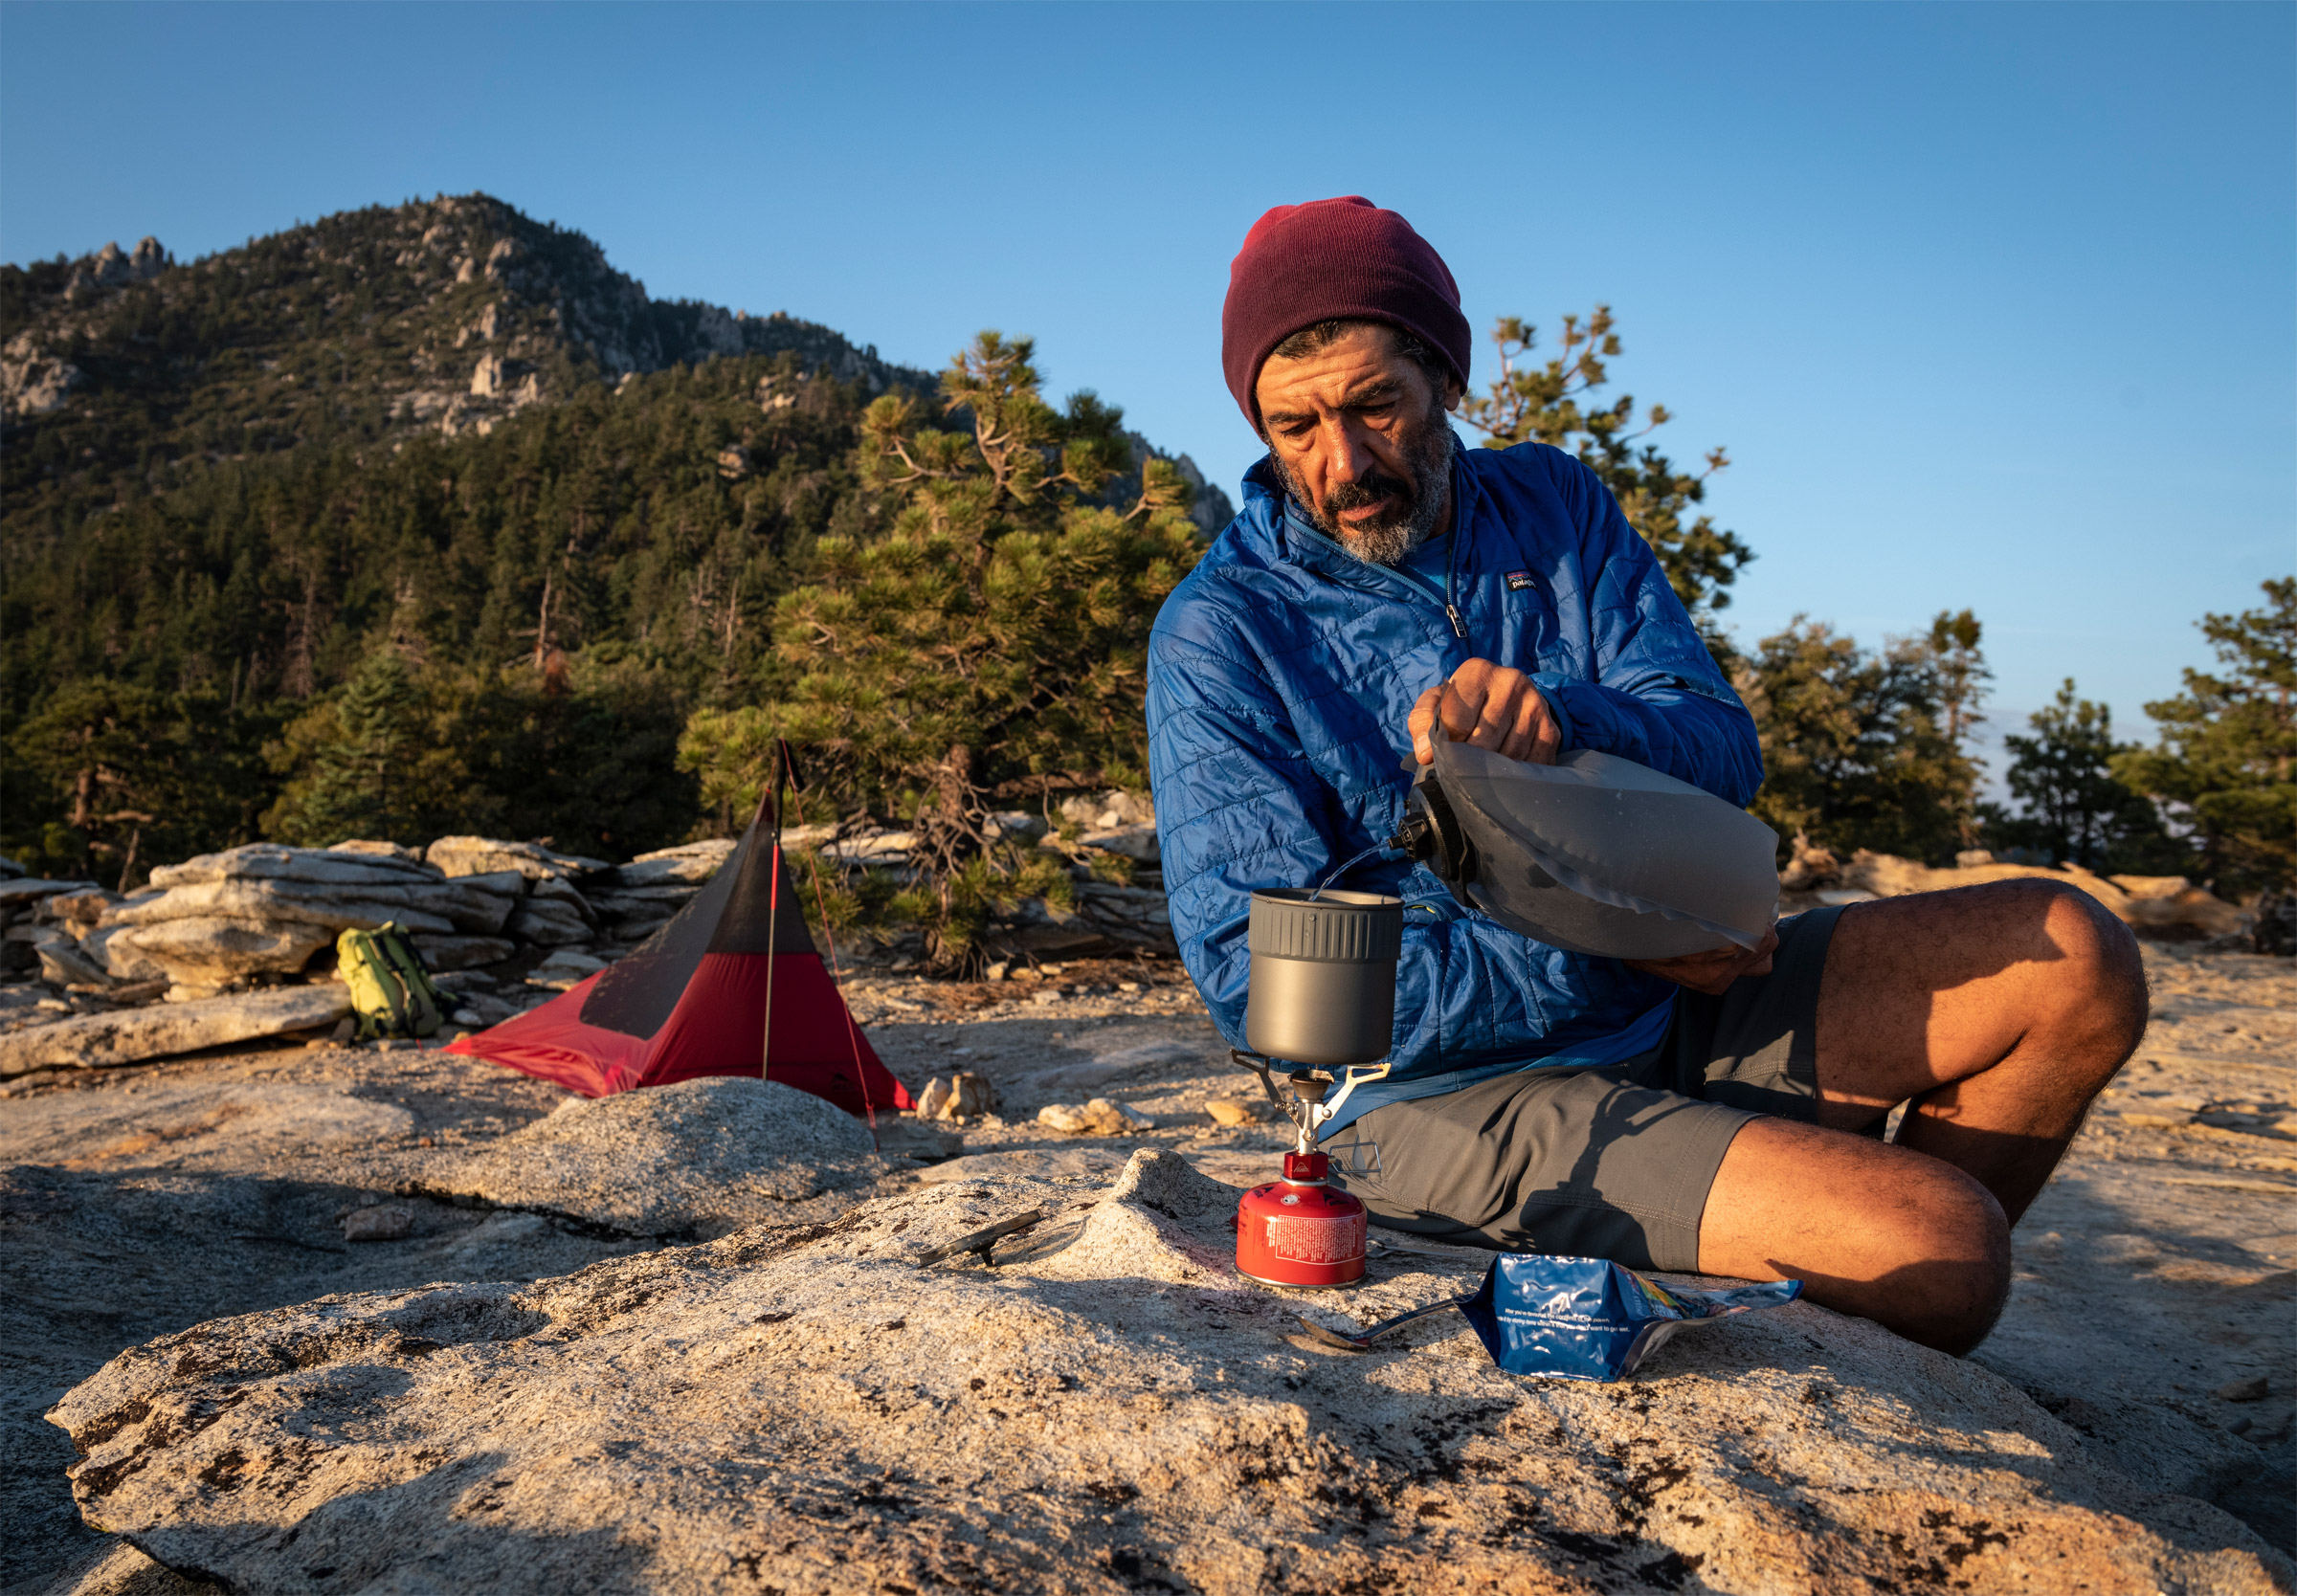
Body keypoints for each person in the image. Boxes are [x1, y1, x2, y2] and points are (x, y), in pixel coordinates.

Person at [1145, 197, 2145, 1355]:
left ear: (1444, 381)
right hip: (1441, 1096)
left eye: (1376, 407)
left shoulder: (1555, 506)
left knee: (2076, 959)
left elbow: (1720, 743)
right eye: (1295, 425)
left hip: (1683, 1000)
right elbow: (1259, 985)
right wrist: (1604, 945)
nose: (1343, 461)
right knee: (1948, 1245)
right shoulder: (1223, 631)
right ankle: (1865, 1266)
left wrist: (1566, 719)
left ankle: (1864, 1309)